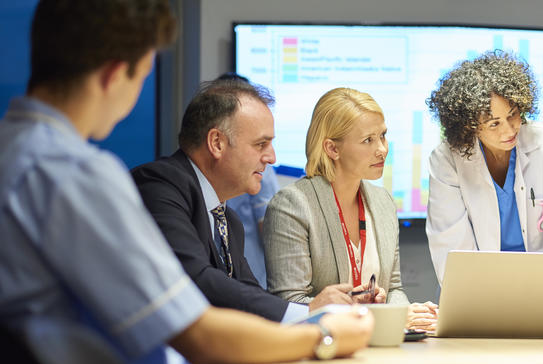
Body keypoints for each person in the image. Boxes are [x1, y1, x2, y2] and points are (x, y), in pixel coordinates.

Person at [0, 2, 372, 364]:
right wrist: (322, 334)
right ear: (113, 73)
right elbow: (195, 333)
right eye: (142, 74)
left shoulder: (16, 152)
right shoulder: (75, 173)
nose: (270, 158)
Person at [132, 79, 354, 323]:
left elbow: (250, 297)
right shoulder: (160, 185)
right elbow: (194, 279)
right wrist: (310, 312)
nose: (271, 157)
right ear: (217, 143)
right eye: (261, 144)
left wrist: (316, 309)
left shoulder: (228, 220)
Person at [264, 87, 438, 331]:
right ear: (332, 149)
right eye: (368, 140)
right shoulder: (292, 205)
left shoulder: (383, 201)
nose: (382, 149)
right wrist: (384, 318)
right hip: (320, 352)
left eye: (383, 136)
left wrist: (411, 316)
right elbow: (290, 304)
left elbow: (394, 288)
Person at [425, 50, 543, 282]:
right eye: (494, 124)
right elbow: (451, 246)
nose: (509, 130)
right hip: (479, 284)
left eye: (512, 115)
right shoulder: (447, 159)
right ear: (469, 127)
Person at [214, 72, 281, 287]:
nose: (270, 158)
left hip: (244, 282)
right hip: (247, 283)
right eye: (260, 144)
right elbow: (271, 233)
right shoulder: (258, 166)